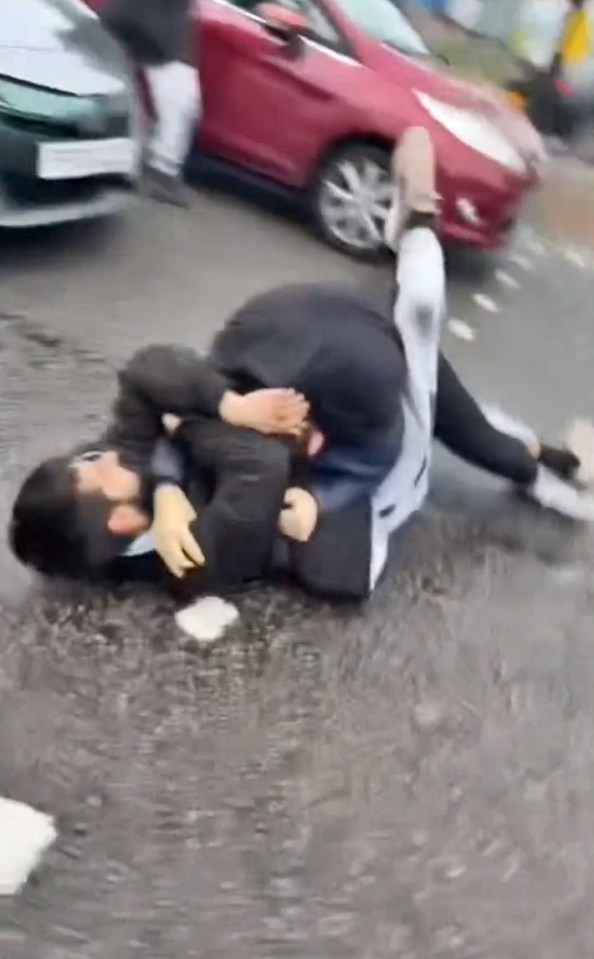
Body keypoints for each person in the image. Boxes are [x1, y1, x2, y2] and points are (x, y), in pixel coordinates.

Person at [10, 129, 594, 601]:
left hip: (316, 381)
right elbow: (260, 464)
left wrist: (183, 457)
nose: (106, 454)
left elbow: (147, 369)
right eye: (95, 471)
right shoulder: (192, 558)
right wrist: (190, 426)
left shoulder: (131, 469)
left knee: (466, 426)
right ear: (113, 522)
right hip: (358, 462)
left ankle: (542, 454)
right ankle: (415, 262)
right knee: (431, 406)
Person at [100, 0, 199, 207]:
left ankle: (156, 164)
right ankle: (161, 169)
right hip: (154, 32)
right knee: (181, 103)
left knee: (182, 103)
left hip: (148, 27)